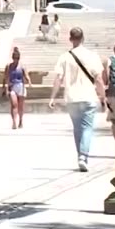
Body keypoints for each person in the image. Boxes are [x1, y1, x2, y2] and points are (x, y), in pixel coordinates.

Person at [47, 27, 107, 172]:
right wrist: (103, 97)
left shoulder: (65, 57)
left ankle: (80, 155)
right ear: (83, 38)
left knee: (77, 128)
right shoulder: (92, 55)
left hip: (72, 98)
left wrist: (52, 97)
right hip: (88, 97)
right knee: (87, 127)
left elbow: (58, 78)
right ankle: (83, 156)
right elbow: (98, 79)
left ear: (70, 39)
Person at [3, 47, 27, 129]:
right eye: (14, 58)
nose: (15, 59)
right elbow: (6, 78)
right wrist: (5, 89)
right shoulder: (8, 66)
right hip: (12, 86)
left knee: (20, 106)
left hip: (20, 86)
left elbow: (26, 76)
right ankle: (14, 122)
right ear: (12, 58)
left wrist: (29, 82)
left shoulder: (22, 67)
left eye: (17, 58)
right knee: (14, 105)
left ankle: (20, 121)